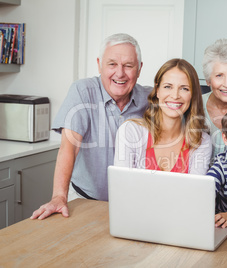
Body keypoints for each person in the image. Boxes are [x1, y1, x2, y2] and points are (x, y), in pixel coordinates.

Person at [31, 33, 152, 220]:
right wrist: (58, 197)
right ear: (99, 64)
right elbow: (68, 148)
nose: (120, 73)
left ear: (139, 68)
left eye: (128, 66)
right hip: (83, 200)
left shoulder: (150, 99)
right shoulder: (83, 91)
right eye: (112, 64)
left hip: (131, 205)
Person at [114, 58, 211, 174]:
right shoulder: (131, 132)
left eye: (184, 89)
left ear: (193, 95)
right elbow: (122, 187)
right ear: (157, 90)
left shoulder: (201, 141)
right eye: (168, 87)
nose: (175, 96)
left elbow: (195, 190)